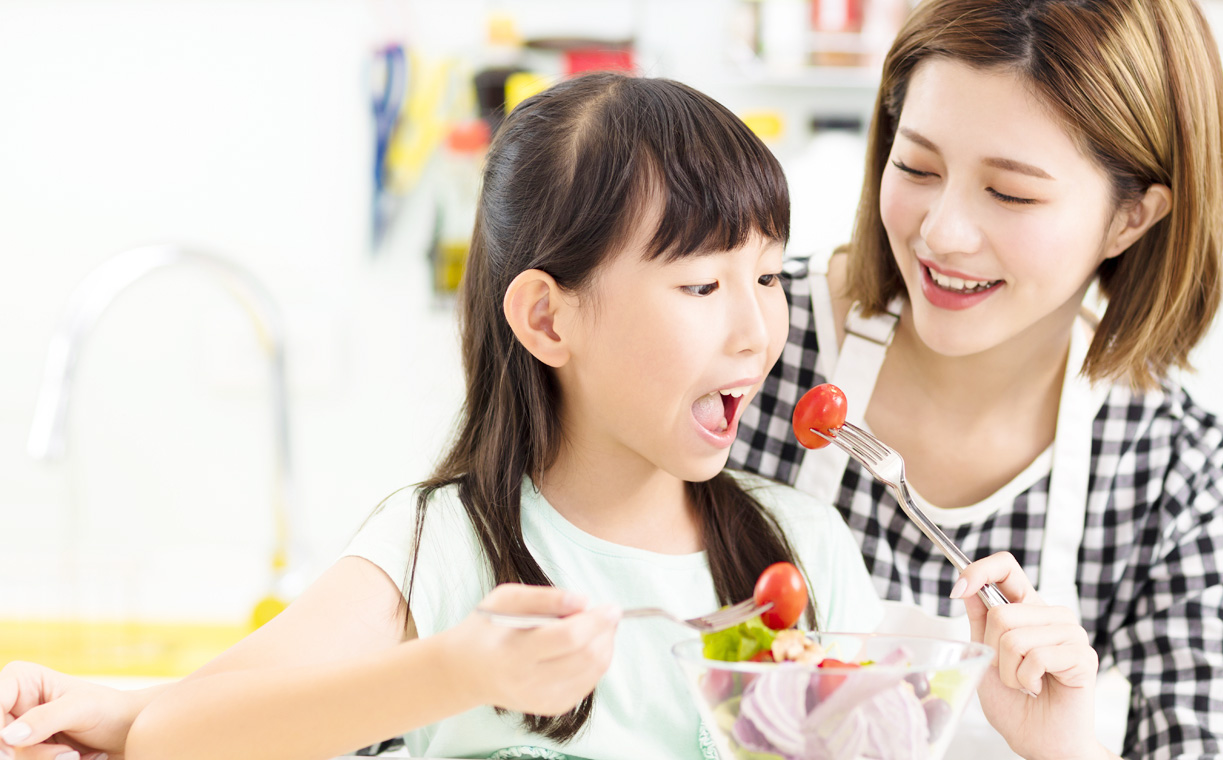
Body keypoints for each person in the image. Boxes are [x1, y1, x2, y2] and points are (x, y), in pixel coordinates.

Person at [104, 72, 899, 760]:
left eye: (766, 277)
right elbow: (175, 738)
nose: (758, 333)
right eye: (701, 287)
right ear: (550, 320)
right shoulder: (443, 549)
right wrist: (457, 671)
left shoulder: (803, 550)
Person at [729, 1, 1223, 757]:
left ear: (1132, 217)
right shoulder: (747, 345)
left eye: (1012, 194)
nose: (942, 233)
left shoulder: (1169, 479)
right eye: (917, 167)